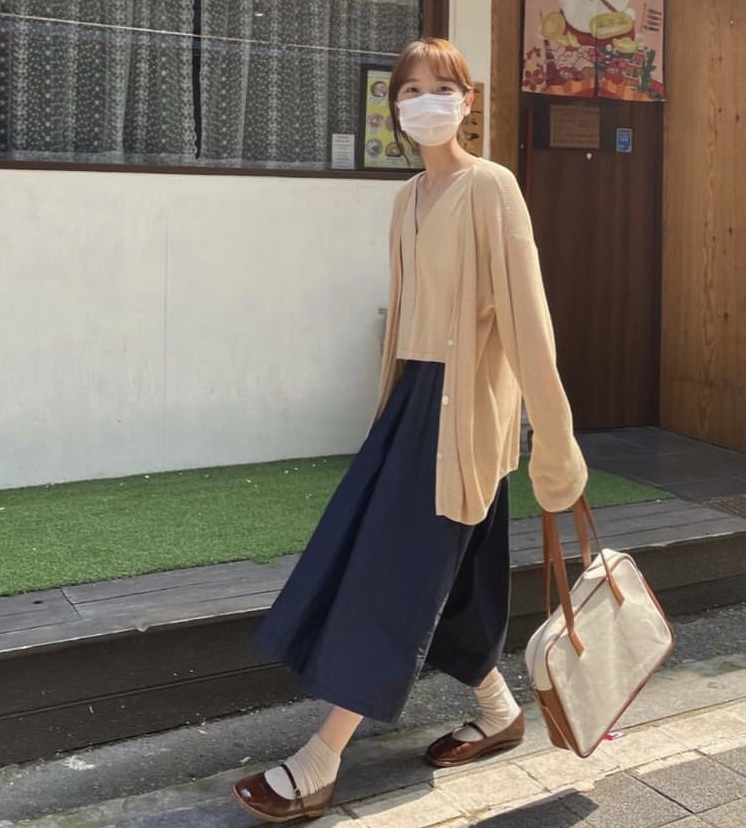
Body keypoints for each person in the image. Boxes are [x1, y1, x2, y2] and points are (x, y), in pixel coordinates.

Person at [233, 37, 587, 823]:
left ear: (468, 100)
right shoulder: (406, 200)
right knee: (441, 571)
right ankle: (499, 710)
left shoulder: (492, 187)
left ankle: (322, 756)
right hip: (413, 405)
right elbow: (405, 321)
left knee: (394, 573)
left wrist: (555, 437)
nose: (427, 102)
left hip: (465, 410)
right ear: (395, 109)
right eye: (410, 91)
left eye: (442, 87)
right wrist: (388, 411)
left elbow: (528, 319)